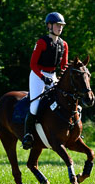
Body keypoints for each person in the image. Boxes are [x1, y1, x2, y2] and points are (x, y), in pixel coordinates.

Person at [22, 12, 69, 149]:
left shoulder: (64, 44)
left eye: (61, 25)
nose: (60, 28)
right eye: (57, 25)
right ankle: (28, 135)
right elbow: (33, 64)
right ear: (49, 26)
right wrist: (43, 78)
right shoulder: (42, 42)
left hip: (52, 75)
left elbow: (63, 66)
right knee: (35, 105)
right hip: (38, 75)